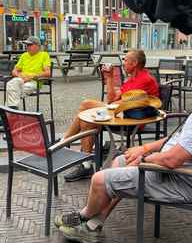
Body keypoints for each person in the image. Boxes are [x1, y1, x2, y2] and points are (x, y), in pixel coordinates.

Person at [55, 50, 192, 243]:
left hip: (182, 182)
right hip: (178, 173)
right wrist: (144, 148)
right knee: (120, 162)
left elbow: (173, 160)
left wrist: (146, 160)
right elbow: (178, 140)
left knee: (99, 179)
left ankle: (82, 216)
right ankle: (93, 227)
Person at [63, 49, 159, 182]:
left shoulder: (145, 79)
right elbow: (112, 100)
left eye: (125, 59)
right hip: (123, 116)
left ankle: (65, 143)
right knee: (87, 121)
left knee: (86, 105)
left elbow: (117, 104)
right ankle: (84, 163)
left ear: (135, 63)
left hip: (133, 121)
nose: (123, 62)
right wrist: (109, 77)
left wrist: (113, 103)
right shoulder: (132, 79)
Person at [4, 36, 51, 108]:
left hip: (35, 81)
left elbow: (47, 73)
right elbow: (14, 71)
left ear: (38, 46)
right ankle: (12, 110)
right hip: (21, 79)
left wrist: (31, 77)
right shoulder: (24, 55)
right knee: (10, 84)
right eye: (27, 45)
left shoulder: (44, 55)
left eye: (30, 45)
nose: (27, 47)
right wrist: (20, 76)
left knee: (12, 91)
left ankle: (10, 111)